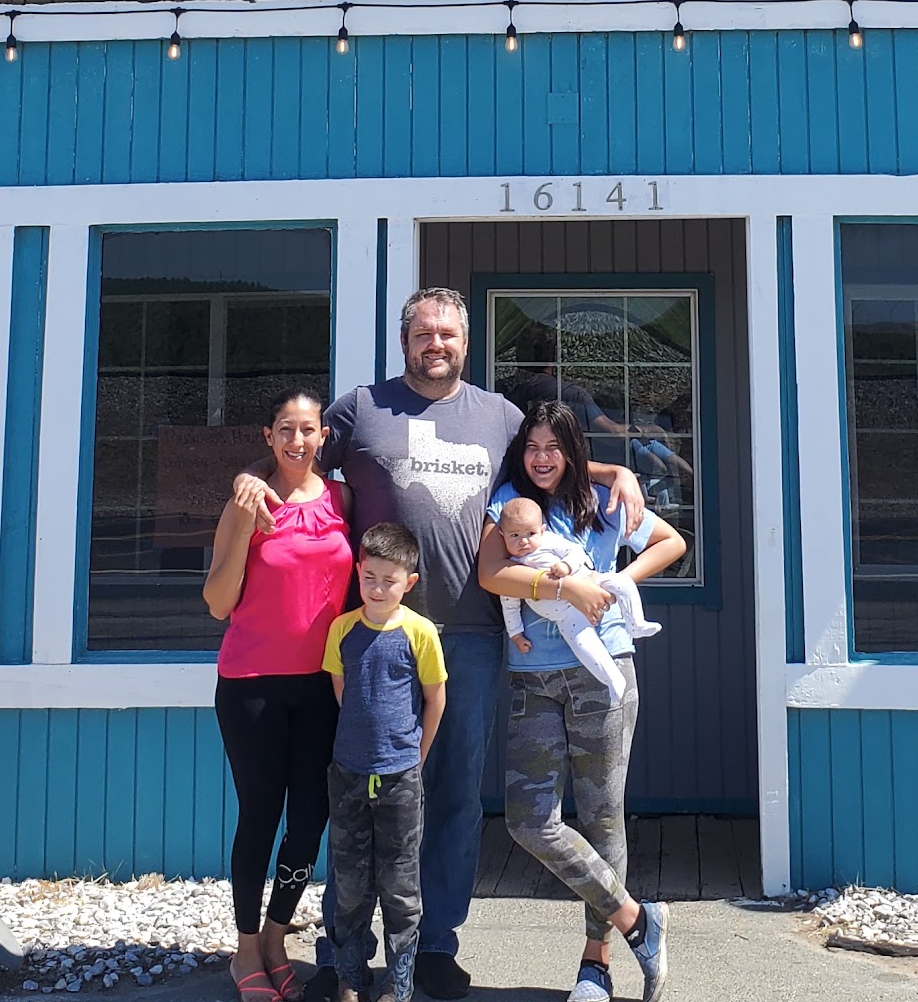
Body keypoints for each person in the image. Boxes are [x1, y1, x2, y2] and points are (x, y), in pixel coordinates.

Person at [234, 286, 644, 1001]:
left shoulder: (501, 416)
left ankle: (433, 945)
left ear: (463, 341)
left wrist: (615, 469)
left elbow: (553, 466)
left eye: (449, 334)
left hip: (473, 637)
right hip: (374, 636)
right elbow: (297, 456)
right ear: (406, 340)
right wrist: (250, 477)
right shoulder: (361, 409)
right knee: (360, 792)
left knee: (454, 796)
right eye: (425, 333)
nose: (437, 345)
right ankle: (344, 948)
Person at [478, 401, 686, 1002]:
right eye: (531, 447)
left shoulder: (603, 506)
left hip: (604, 671)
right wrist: (563, 584)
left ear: (571, 449)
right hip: (532, 676)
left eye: (553, 446)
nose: (541, 459)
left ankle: (595, 965)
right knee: (529, 819)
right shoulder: (511, 507)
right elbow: (493, 574)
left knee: (601, 816)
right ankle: (638, 921)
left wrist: (620, 582)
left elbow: (672, 541)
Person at [205, 387, 354, 1001]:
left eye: (308, 430)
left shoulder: (344, 498)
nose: (298, 441)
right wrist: (246, 522)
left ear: (324, 437)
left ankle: (275, 934)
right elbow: (218, 603)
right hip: (252, 687)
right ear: (268, 437)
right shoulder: (245, 502)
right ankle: (244, 950)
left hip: (322, 685)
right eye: (285, 430)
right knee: (261, 816)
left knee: (311, 818)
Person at [321, 521, 448, 1002]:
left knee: (399, 886)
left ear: (408, 583)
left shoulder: (420, 633)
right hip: (348, 773)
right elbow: (341, 690)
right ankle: (351, 975)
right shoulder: (343, 629)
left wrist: (416, 755)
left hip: (399, 780)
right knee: (350, 885)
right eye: (369, 577)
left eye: (389, 580)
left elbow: (435, 701)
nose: (377, 588)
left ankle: (399, 982)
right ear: (358, 573)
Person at [495, 493, 660, 693]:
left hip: (589, 580)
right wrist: (516, 634)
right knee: (585, 646)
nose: (524, 541)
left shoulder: (549, 541)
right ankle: (613, 680)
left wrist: (566, 565)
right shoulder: (511, 568)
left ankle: (636, 623)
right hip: (565, 615)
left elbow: (576, 552)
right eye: (515, 536)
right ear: (502, 535)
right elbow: (509, 605)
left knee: (622, 582)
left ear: (542, 530)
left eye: (530, 534)